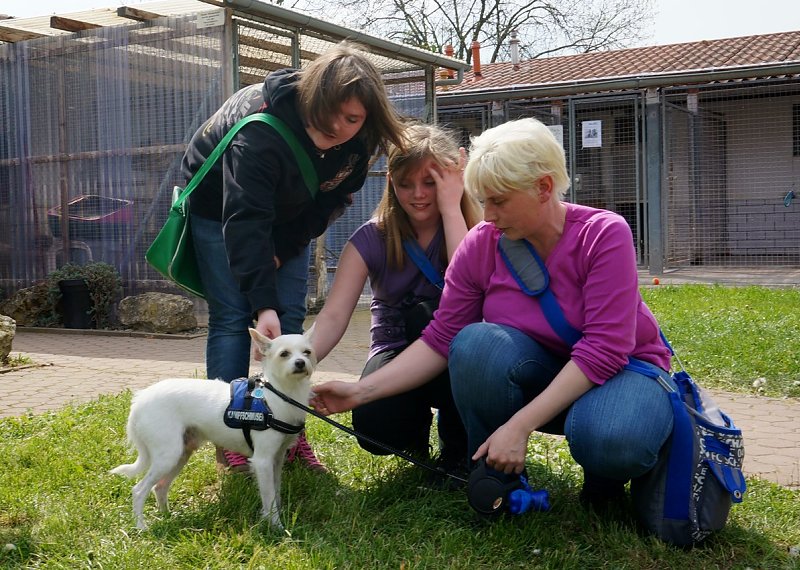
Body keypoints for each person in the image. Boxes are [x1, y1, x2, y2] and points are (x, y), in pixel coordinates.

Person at [311, 118, 675, 513]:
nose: (488, 215)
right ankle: (496, 475)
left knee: (609, 440)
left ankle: (606, 480)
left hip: (622, 372)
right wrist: (360, 391)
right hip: (547, 371)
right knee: (474, 343)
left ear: (544, 187)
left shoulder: (603, 234)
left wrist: (518, 426)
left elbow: (605, 350)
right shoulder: (482, 243)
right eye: (483, 200)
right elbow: (441, 338)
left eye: (498, 201)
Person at [183, 41, 405, 473]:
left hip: (291, 214)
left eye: (353, 119)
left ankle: (288, 431)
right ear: (312, 100)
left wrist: (283, 252)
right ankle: (233, 434)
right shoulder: (260, 130)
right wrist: (261, 298)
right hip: (220, 211)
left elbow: (331, 200)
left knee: (289, 324)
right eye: (328, 118)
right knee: (234, 318)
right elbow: (245, 218)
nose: (339, 129)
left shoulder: (360, 139)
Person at [309, 123, 482, 476]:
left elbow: (469, 287)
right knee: (377, 428)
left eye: (431, 183)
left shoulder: (475, 230)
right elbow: (333, 316)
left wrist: (452, 209)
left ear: (452, 182)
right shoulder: (370, 239)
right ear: (390, 181)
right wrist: (295, 358)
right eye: (406, 183)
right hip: (396, 348)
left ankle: (459, 448)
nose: (418, 194)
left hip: (460, 355)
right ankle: (414, 433)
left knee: (443, 325)